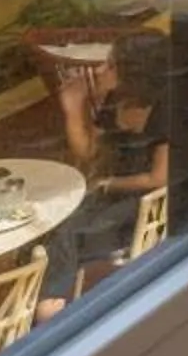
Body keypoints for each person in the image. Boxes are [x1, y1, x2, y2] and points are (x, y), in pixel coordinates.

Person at [42, 30, 174, 304]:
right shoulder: (117, 100)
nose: (101, 69)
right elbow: (89, 153)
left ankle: (58, 300)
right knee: (59, 222)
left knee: (79, 233)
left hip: (145, 199)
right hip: (111, 190)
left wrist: (107, 184)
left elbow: (158, 178)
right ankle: (56, 297)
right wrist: (73, 108)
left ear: (136, 73)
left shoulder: (166, 110)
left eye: (111, 64)